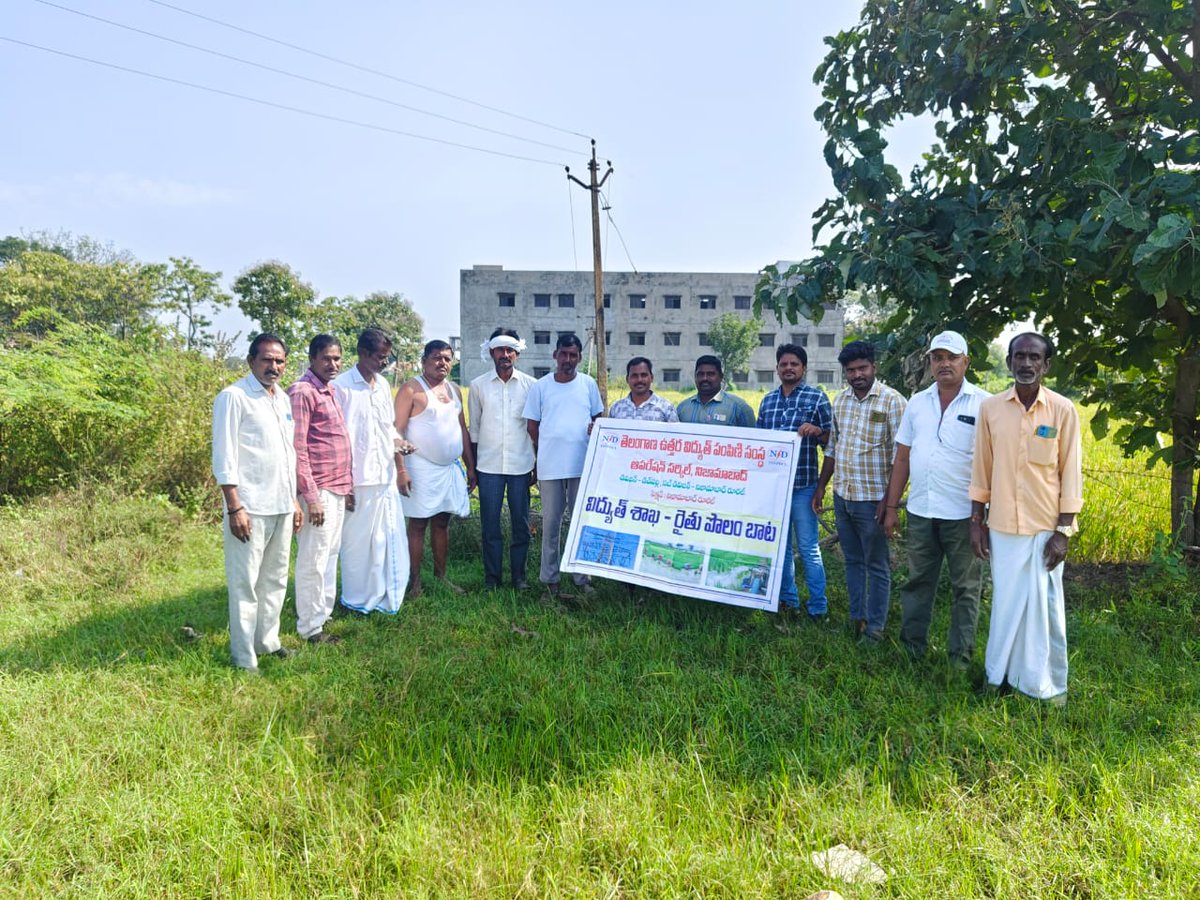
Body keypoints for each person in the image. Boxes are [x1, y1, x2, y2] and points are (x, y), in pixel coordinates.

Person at [970, 332, 1082, 706]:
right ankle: (998, 676)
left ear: (1046, 365)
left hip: (1046, 528)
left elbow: (1071, 474)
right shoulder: (991, 409)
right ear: (1009, 362)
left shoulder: (1063, 410)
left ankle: (1043, 685)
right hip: (1001, 525)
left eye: (1035, 357)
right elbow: (981, 469)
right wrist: (976, 521)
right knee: (1005, 603)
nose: (1026, 364)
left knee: (1045, 608)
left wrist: (1063, 531)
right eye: (1020, 356)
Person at [882, 331, 990, 668]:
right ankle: (912, 650)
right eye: (937, 358)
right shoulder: (917, 402)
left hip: (964, 516)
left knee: (966, 588)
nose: (944, 364)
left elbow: (995, 463)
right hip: (921, 511)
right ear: (930, 363)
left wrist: (982, 516)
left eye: (951, 357)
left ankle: (960, 658)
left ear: (966, 362)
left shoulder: (985, 404)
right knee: (917, 583)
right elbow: (903, 458)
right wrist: (890, 507)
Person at [211, 333, 302, 672]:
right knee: (245, 582)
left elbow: (287, 454)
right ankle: (244, 657)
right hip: (249, 507)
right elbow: (224, 455)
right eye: (266, 360)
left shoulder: (281, 399)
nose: (273, 366)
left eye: (279, 361)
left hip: (280, 503)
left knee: (276, 579)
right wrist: (234, 506)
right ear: (251, 361)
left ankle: (268, 641)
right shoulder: (233, 397)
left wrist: (293, 501)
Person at [814, 340, 907, 644]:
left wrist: (890, 503)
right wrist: (822, 486)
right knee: (852, 561)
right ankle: (858, 618)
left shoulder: (892, 402)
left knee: (877, 564)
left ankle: (876, 628)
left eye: (862, 368)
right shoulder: (840, 401)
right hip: (843, 497)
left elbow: (901, 457)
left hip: (874, 502)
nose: (857, 375)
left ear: (873, 367)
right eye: (851, 370)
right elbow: (832, 448)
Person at [333, 327, 411, 614]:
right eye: (380, 357)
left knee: (386, 539)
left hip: (384, 476)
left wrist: (400, 443)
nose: (384, 362)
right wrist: (345, 482)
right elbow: (339, 437)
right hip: (357, 479)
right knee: (356, 545)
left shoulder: (381, 386)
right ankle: (356, 598)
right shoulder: (341, 387)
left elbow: (386, 427)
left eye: (387, 357)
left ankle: (386, 595)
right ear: (363, 353)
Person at [523, 333, 604, 599]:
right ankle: (550, 580)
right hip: (550, 468)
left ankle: (583, 579)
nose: (568, 360)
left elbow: (598, 419)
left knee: (581, 523)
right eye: (563, 354)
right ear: (555, 355)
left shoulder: (588, 384)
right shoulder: (541, 387)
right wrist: (546, 450)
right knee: (551, 524)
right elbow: (532, 426)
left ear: (579, 357)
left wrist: (592, 430)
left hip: (582, 467)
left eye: (573, 355)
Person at [756, 343, 833, 619]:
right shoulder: (768, 401)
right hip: (776, 490)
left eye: (794, 364)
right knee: (782, 547)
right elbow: (760, 445)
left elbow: (831, 444)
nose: (789, 368)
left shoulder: (817, 398)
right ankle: (788, 600)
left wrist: (818, 432)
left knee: (810, 549)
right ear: (777, 368)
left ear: (804, 368)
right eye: (784, 364)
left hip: (804, 487)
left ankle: (818, 607)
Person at [394, 339, 475, 597]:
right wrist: (401, 470)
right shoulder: (411, 390)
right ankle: (414, 582)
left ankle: (441, 577)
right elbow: (396, 430)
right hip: (419, 466)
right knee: (418, 524)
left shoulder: (453, 390)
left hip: (448, 469)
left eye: (448, 359)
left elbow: (461, 428)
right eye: (437, 357)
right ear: (424, 360)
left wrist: (470, 466)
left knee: (442, 522)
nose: (443, 363)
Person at [288, 334, 354, 645]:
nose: (333, 364)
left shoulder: (330, 391)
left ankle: (322, 613)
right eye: (326, 358)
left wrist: (348, 485)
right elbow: (297, 448)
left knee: (330, 554)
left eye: (337, 358)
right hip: (319, 489)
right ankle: (310, 628)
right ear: (313, 358)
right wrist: (311, 498)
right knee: (313, 559)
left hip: (337, 486)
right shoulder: (302, 392)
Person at [469, 328, 537, 591]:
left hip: (521, 465)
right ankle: (492, 579)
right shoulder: (478, 386)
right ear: (491, 352)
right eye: (500, 349)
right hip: (488, 467)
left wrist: (536, 463)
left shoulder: (531, 386)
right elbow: (474, 429)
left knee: (521, 524)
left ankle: (519, 578)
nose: (505, 355)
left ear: (517, 353)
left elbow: (534, 427)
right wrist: (473, 468)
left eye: (510, 350)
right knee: (490, 525)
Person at [676, 355, 756, 427]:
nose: (705, 378)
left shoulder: (739, 408)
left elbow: (752, 439)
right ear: (695, 377)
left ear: (721, 377)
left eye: (710, 374)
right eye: (700, 374)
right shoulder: (682, 408)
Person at [608, 357, 680, 422]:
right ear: (627, 379)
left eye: (644, 375)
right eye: (634, 376)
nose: (639, 380)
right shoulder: (616, 408)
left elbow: (676, 435)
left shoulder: (666, 408)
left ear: (651, 378)